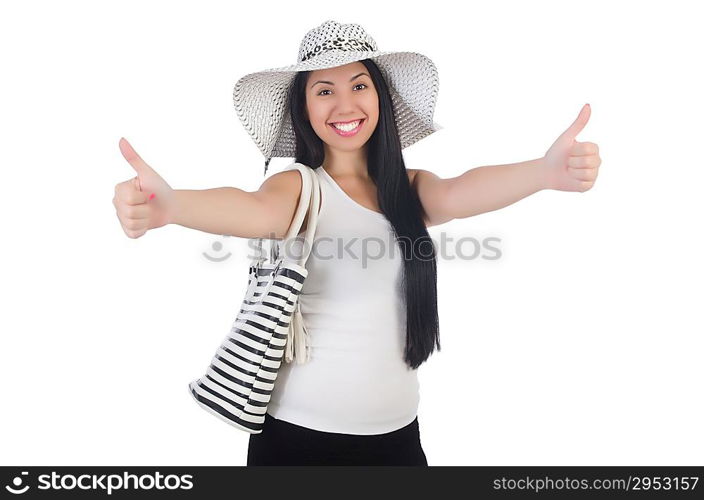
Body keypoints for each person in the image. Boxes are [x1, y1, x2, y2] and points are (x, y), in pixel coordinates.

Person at [112, 20, 602, 466]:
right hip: (299, 444)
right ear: (303, 108)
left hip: (399, 440)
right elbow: (251, 209)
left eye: (359, 86)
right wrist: (170, 206)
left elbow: (461, 190)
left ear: (380, 99)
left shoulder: (408, 191)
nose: (345, 105)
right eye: (324, 90)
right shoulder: (299, 187)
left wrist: (544, 172)